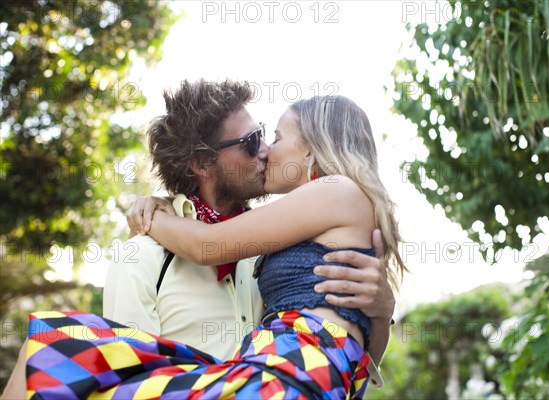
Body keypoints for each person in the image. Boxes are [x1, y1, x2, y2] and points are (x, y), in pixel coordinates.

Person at [15, 93, 405, 399]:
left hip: (289, 369)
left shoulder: (336, 191)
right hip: (283, 369)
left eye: (274, 136)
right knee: (52, 348)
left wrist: (155, 214)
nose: (267, 149)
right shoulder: (309, 223)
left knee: (51, 350)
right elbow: (361, 351)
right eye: (255, 141)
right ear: (202, 163)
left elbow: (207, 246)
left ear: (311, 149)